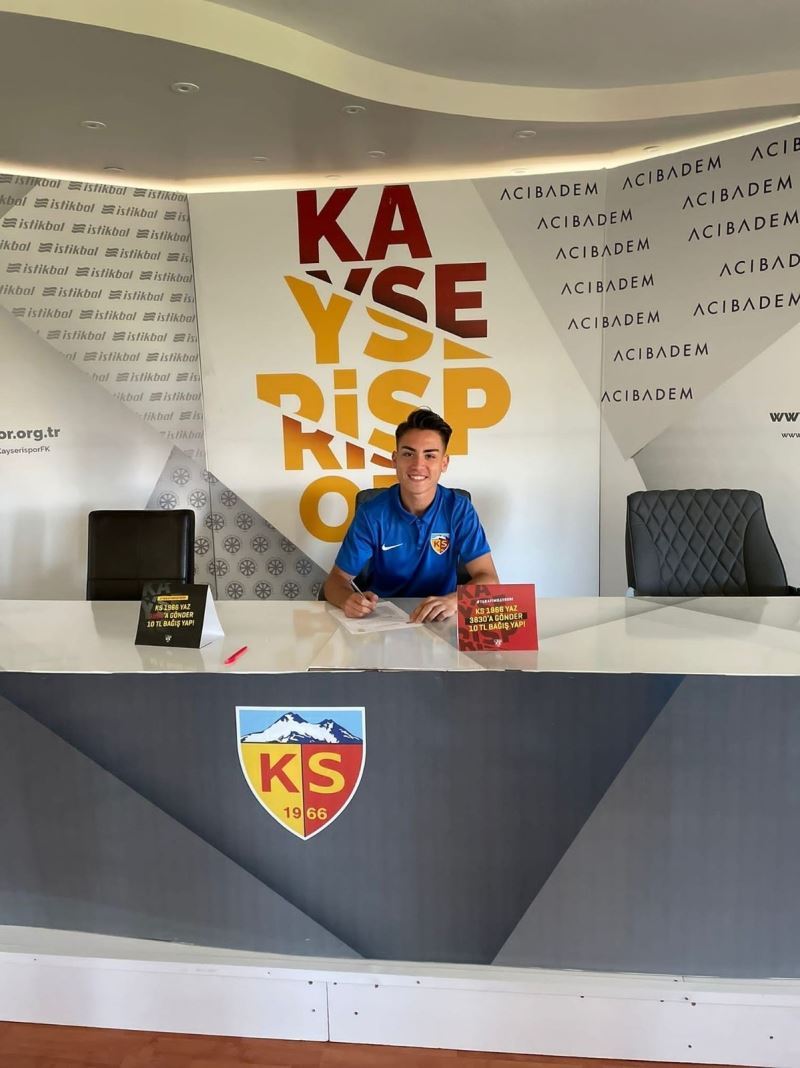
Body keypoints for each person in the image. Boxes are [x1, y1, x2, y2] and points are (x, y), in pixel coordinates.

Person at [323, 408, 499, 623]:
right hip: (383, 621)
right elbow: (336, 581)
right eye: (408, 454)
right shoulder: (372, 513)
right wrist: (347, 600)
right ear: (394, 459)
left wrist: (455, 601)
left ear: (444, 463)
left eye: (430, 456)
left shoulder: (459, 509)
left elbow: (489, 579)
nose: (418, 465)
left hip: (442, 618)